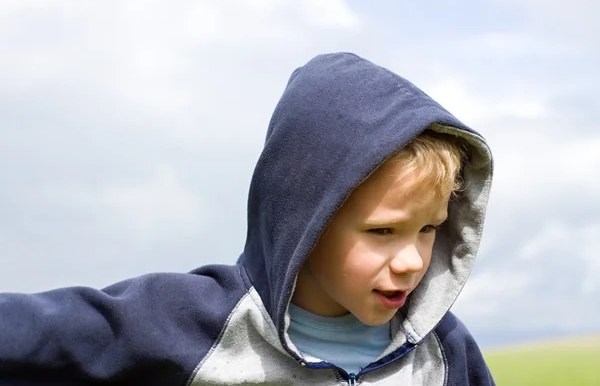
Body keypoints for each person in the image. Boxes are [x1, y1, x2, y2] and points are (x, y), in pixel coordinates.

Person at [0, 52, 495, 385]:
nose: (411, 261)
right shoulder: (183, 322)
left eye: (428, 229)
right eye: (382, 231)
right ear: (306, 219)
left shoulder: (445, 350)